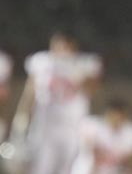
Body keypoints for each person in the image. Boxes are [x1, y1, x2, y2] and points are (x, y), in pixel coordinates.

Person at [11, 30, 102, 174]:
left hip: (72, 126)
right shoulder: (42, 61)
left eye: (66, 46)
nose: (62, 50)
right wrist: (22, 112)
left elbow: (91, 90)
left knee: (67, 167)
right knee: (40, 166)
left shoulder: (83, 64)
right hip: (45, 124)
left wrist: (77, 75)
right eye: (59, 46)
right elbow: (30, 90)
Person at [70, 97, 132, 174]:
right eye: (114, 116)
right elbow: (94, 156)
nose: (117, 120)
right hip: (92, 168)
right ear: (107, 114)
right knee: (85, 166)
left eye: (121, 117)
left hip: (115, 169)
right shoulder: (92, 125)